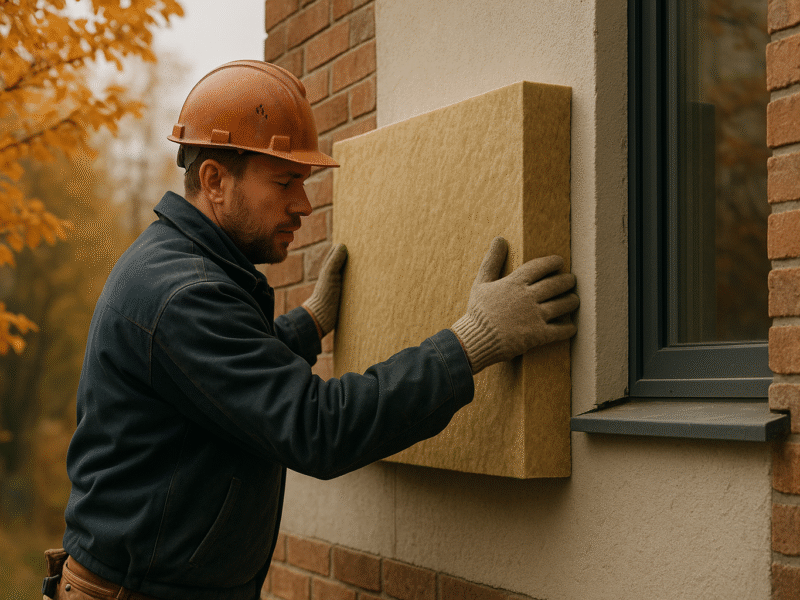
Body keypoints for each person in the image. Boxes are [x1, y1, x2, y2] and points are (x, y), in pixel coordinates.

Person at [43, 61, 579, 600]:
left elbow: (225, 379)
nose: (302, 204)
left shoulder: (178, 267)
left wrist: (312, 322)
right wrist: (475, 339)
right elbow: (320, 428)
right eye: (285, 182)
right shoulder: (184, 294)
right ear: (214, 181)